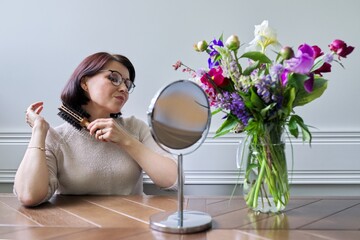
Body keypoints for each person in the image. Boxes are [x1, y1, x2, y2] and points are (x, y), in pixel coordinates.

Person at [14, 52, 178, 207]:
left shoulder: (136, 128)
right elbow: (29, 195)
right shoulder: (57, 137)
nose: (124, 89)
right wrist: (39, 130)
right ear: (85, 83)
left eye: (127, 84)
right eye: (114, 78)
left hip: (131, 227)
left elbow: (173, 180)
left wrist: (126, 140)